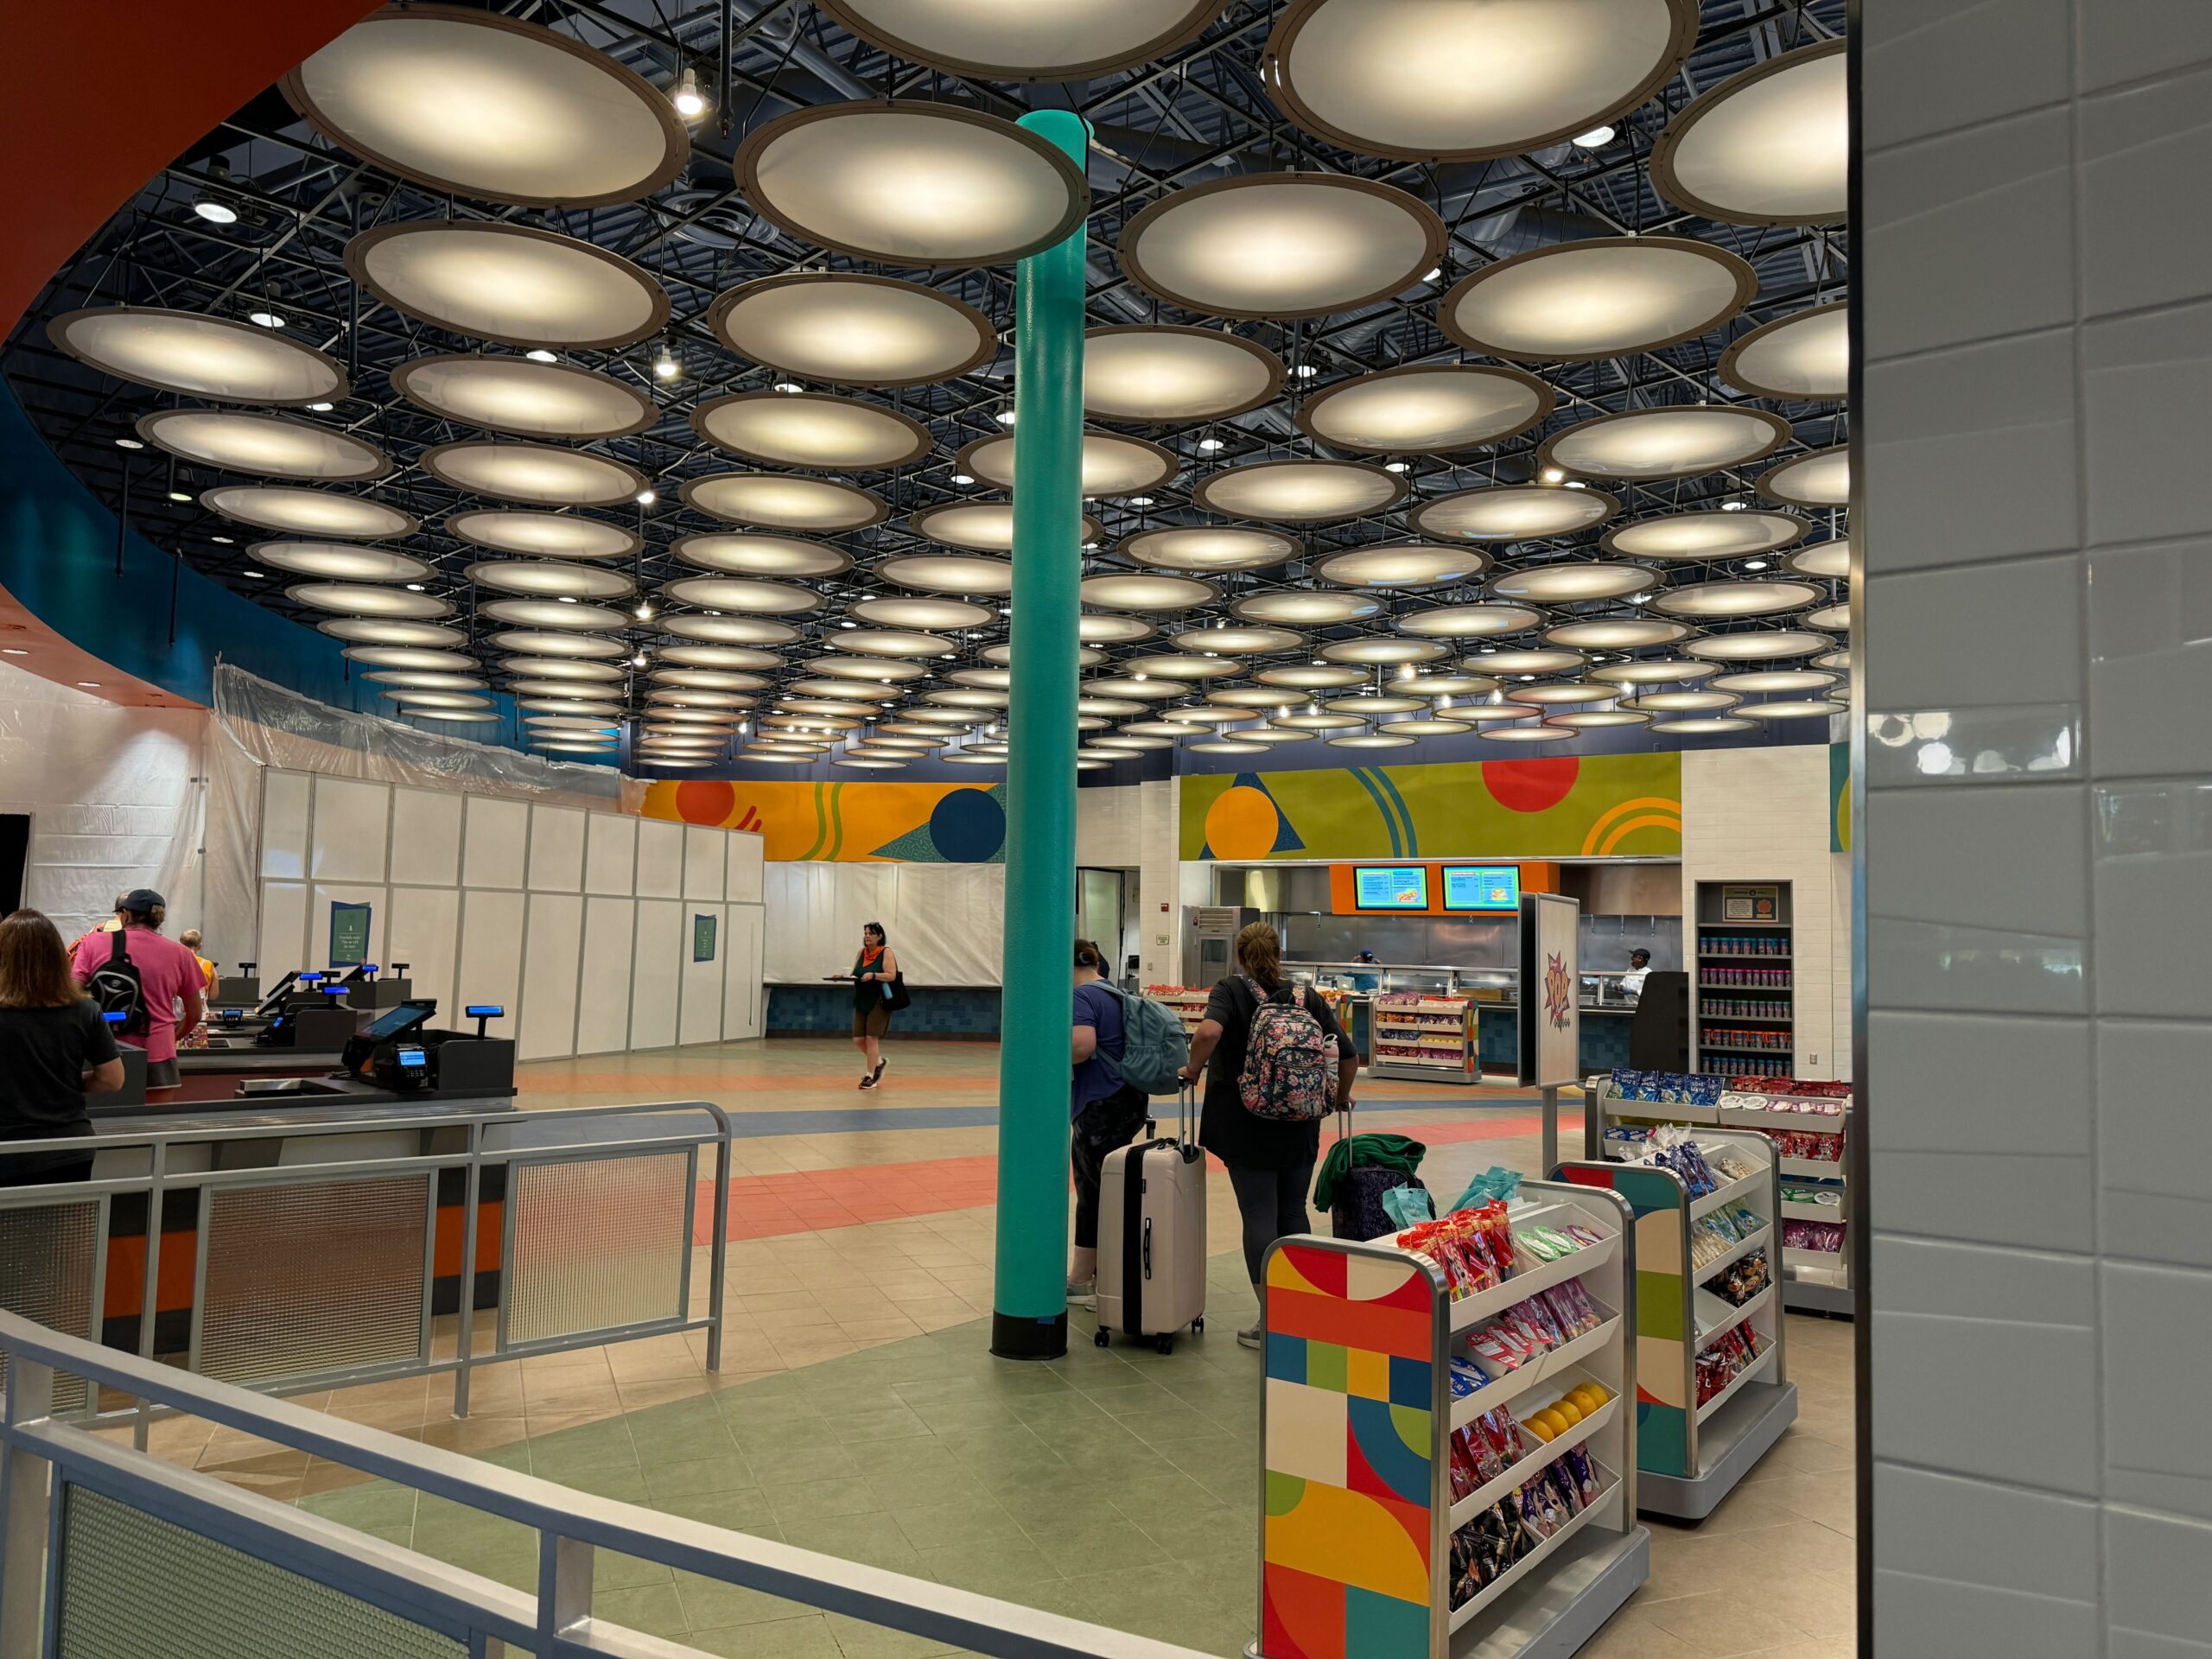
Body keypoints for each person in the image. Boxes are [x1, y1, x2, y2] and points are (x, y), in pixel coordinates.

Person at [1177, 921, 1357, 1348]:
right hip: (1300, 1122)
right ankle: (1299, 1311)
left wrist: (1193, 1069)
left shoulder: (1230, 990)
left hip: (1245, 1122)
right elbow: (1347, 1055)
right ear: (1279, 953)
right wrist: (1338, 1098)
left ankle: (1270, 1318)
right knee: (1292, 1212)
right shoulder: (1305, 996)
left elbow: (1208, 1032)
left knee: (1259, 1216)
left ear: (1241, 956)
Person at [0, 909, 124, 1185]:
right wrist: (60, 1083)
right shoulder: (86, 1010)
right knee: (64, 1229)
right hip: (69, 1147)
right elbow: (112, 1080)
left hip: (7, 1150)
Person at [1067, 938, 1151, 1305]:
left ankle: (1087, 1278)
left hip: (1099, 1102)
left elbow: (1082, 1045)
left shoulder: (1081, 997)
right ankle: (1096, 1272)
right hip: (1129, 1098)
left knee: (1093, 1191)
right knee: (1108, 1188)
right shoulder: (1117, 994)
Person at [68, 888, 201, 1090]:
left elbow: (72, 996)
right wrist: (168, 1036)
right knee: (155, 1120)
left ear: (126, 914)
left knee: (103, 1117)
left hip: (99, 1052)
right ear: (159, 919)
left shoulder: (93, 942)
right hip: (157, 1052)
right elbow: (194, 1015)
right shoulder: (181, 954)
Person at [839, 921, 899, 1090]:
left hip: (878, 1000)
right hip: (861, 999)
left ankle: (870, 1076)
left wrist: (873, 975)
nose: (867, 936)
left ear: (879, 936)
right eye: (865, 933)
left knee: (872, 1038)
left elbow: (891, 975)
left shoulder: (886, 952)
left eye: (871, 933)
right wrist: (842, 976)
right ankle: (879, 1062)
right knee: (858, 1039)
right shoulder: (861, 953)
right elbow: (855, 975)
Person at [178, 928, 218, 1049]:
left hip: (177, 1021)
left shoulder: (176, 962)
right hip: (199, 1020)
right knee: (196, 1057)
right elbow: (213, 995)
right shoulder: (207, 965)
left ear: (180, 944)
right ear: (200, 946)